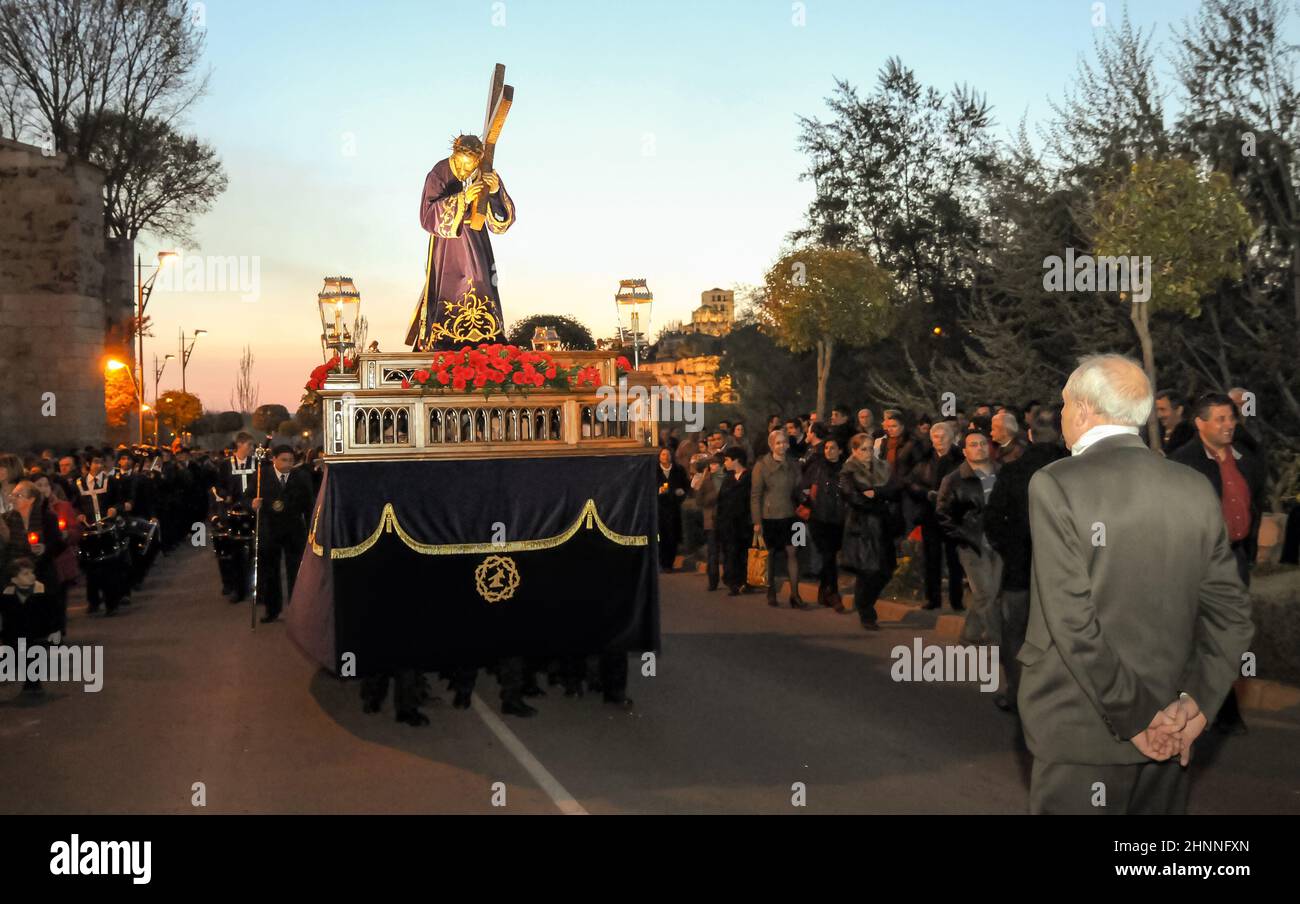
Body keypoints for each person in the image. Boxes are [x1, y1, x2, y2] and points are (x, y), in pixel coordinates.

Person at [1019, 354, 1253, 815]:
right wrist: (1197, 705)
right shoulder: (1192, 487)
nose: (1062, 416)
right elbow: (1232, 615)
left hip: (1083, 727)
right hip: (1174, 726)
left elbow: (1072, 621)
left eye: (1065, 405)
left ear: (1084, 409)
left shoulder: (1056, 483)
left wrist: (1137, 715)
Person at [1170, 391, 1269, 736]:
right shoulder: (1183, 462)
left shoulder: (1245, 459)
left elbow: (1256, 503)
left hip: (1235, 557)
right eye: (1221, 419)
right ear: (1200, 423)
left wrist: (1250, 551)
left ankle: (1223, 707)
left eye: (1232, 418)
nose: (1230, 425)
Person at [983, 409, 1067, 712]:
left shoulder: (1014, 471)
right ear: (1059, 434)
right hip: (1063, 571)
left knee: (1016, 632)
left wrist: (1010, 548)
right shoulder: (1073, 470)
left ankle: (1018, 693)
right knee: (1062, 635)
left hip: (1020, 567)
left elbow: (992, 519)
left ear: (1029, 434)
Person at [405, 133, 516, 350]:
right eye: (461, 165)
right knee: (450, 287)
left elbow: (501, 223)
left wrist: (495, 192)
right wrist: (463, 198)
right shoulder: (439, 173)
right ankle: (445, 339)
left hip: (477, 241)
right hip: (448, 245)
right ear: (454, 155)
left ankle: (487, 337)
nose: (465, 171)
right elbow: (427, 216)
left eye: (470, 166)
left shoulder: (486, 173)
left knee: (481, 280)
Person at [937, 430, 1002, 644]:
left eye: (983, 443)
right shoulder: (954, 479)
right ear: (965, 451)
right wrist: (963, 537)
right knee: (985, 592)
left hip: (999, 542)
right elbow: (943, 514)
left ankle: (969, 634)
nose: (979, 447)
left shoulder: (1002, 473)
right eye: (973, 444)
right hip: (971, 544)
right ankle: (998, 639)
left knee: (990, 593)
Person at [838, 434, 899, 630]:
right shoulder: (848, 472)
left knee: (887, 569)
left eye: (870, 448)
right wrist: (876, 502)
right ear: (854, 451)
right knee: (868, 569)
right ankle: (866, 611)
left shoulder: (883, 467)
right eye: (863, 449)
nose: (867, 452)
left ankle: (863, 603)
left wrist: (877, 495)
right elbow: (853, 497)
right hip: (862, 526)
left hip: (883, 526)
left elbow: (894, 490)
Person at [905, 422, 965, 611]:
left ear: (951, 437)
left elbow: (967, 484)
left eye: (943, 436)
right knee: (931, 558)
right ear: (931, 439)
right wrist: (926, 494)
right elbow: (911, 482)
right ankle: (933, 598)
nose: (939, 440)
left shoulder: (960, 459)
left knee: (954, 559)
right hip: (930, 514)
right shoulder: (924, 459)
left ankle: (956, 600)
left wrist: (950, 497)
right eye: (936, 437)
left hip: (953, 515)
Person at [251, 445, 314, 623]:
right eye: (284, 460)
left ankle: (297, 609)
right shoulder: (261, 475)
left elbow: (310, 505)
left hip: (294, 529)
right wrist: (252, 503)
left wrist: (312, 529)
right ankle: (272, 609)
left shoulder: (301, 476)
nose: (288, 464)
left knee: (296, 570)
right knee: (270, 570)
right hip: (270, 528)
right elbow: (247, 496)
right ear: (274, 459)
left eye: (291, 461)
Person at [751, 430, 808, 609]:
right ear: (771, 445)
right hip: (770, 516)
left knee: (794, 553)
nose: (782, 446)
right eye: (778, 443)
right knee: (771, 555)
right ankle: (771, 591)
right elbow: (755, 495)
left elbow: (798, 489)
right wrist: (757, 521)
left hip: (792, 516)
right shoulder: (761, 466)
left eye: (784, 442)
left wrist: (805, 498)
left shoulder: (794, 465)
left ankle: (795, 594)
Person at [0, 558, 61, 694]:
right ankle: (28, 680)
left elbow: (53, 612)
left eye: (32, 573)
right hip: (15, 635)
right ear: (14, 580)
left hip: (37, 634)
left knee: (34, 653)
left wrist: (55, 629)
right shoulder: (7, 595)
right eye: (25, 574)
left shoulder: (41, 591)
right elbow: (5, 616)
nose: (31, 576)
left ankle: (33, 682)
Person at [799, 437, 846, 608]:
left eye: (833, 448)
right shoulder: (817, 467)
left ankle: (822, 590)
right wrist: (806, 503)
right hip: (818, 518)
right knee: (828, 554)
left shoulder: (846, 469)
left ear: (840, 450)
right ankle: (833, 593)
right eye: (826, 447)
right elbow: (803, 487)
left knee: (830, 555)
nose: (829, 451)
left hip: (838, 519)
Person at [717, 447, 753, 596]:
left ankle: (744, 581)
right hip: (728, 524)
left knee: (743, 553)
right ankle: (733, 581)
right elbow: (721, 501)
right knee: (730, 552)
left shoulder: (749, 477)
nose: (725, 463)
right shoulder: (727, 479)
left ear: (736, 460)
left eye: (727, 459)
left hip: (744, 523)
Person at [691, 454, 725, 591]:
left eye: (716, 464)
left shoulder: (726, 479)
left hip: (724, 519)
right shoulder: (707, 480)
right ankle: (713, 580)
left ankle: (729, 578)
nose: (713, 467)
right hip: (711, 520)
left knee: (727, 550)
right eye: (711, 464)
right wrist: (713, 495)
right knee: (713, 552)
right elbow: (699, 501)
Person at [655, 447, 689, 572]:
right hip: (659, 508)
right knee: (661, 535)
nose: (665, 457)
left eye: (668, 454)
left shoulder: (678, 470)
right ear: (659, 456)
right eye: (663, 454)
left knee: (672, 535)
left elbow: (686, 485)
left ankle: (669, 563)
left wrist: (682, 492)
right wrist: (658, 491)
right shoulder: (654, 470)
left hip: (674, 508)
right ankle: (661, 562)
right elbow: (647, 486)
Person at [1154, 389, 1195, 455]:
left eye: (1163, 409)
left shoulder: (1188, 435)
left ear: (1179, 410)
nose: (1159, 415)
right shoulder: (1157, 432)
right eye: (1157, 410)